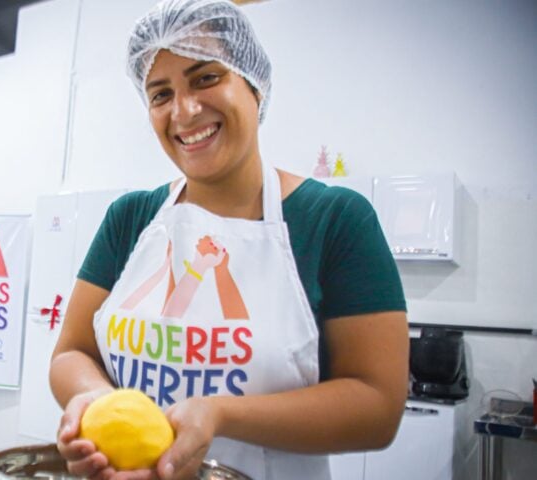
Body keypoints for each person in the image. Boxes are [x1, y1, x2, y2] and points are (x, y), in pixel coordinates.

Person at [49, 0, 409, 479]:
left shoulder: (334, 219)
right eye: (160, 94)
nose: (184, 110)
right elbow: (71, 353)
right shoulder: (129, 218)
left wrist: (218, 415)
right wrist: (93, 399)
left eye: (205, 78)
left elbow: (377, 406)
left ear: (254, 85)